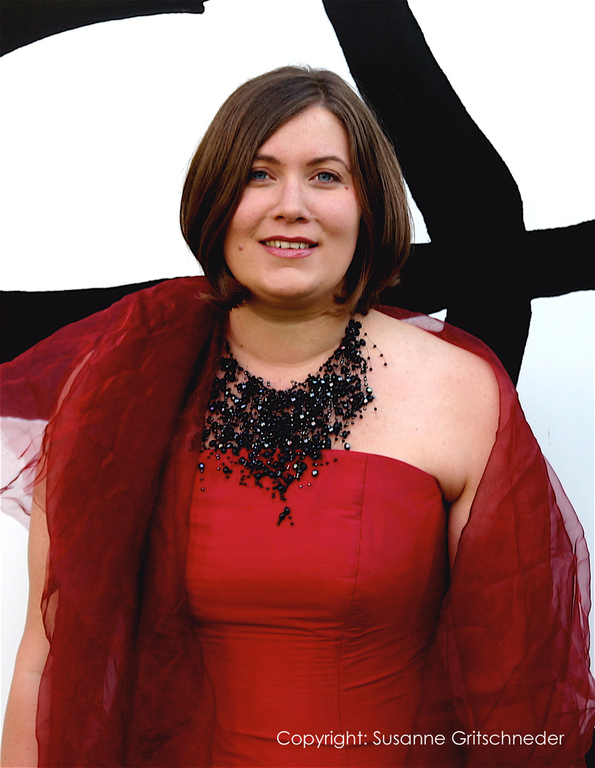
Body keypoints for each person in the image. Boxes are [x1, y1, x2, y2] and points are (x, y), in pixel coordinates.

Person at [1, 66, 593, 768]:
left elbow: (515, 681)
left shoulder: (459, 391)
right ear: (214, 199)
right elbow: (46, 656)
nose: (291, 205)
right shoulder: (117, 387)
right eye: (259, 174)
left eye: (325, 177)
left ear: (369, 206)